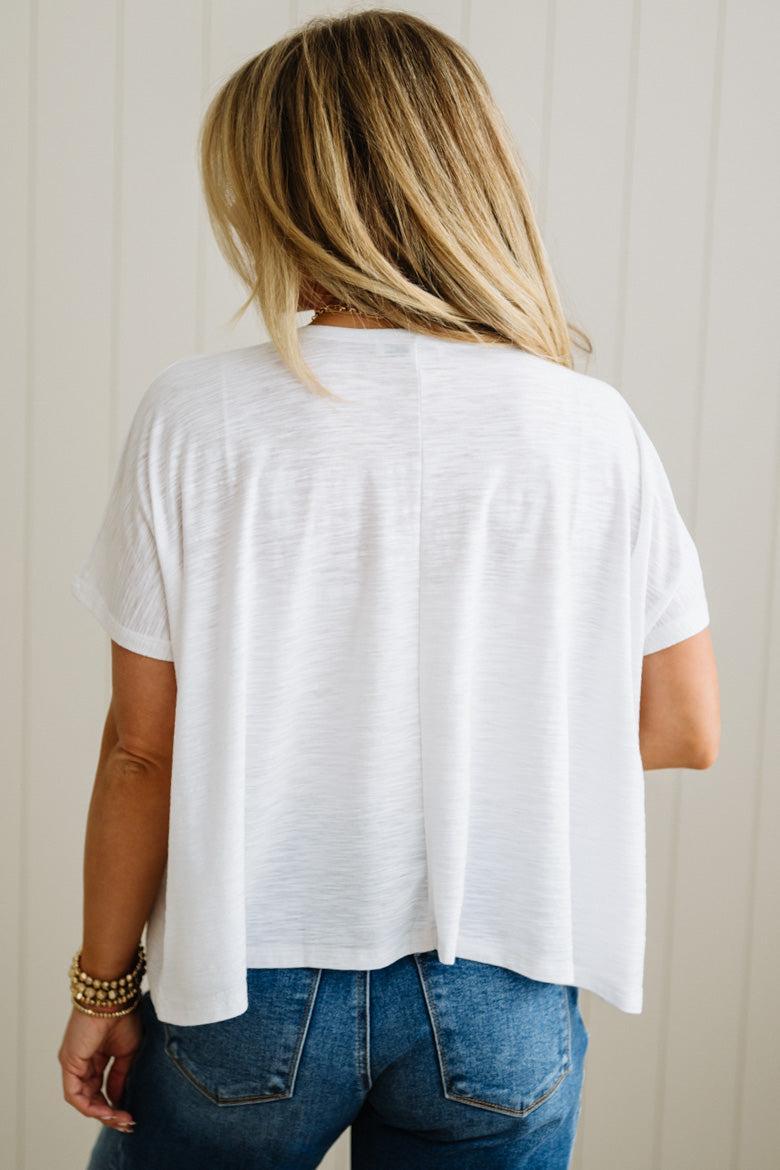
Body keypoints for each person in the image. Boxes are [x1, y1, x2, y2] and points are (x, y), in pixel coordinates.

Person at [58, 8, 720, 1169]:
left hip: (248, 987)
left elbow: (142, 753)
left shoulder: (198, 417)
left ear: (281, 193)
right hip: (505, 989)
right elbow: (682, 727)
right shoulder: (590, 429)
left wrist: (102, 981)